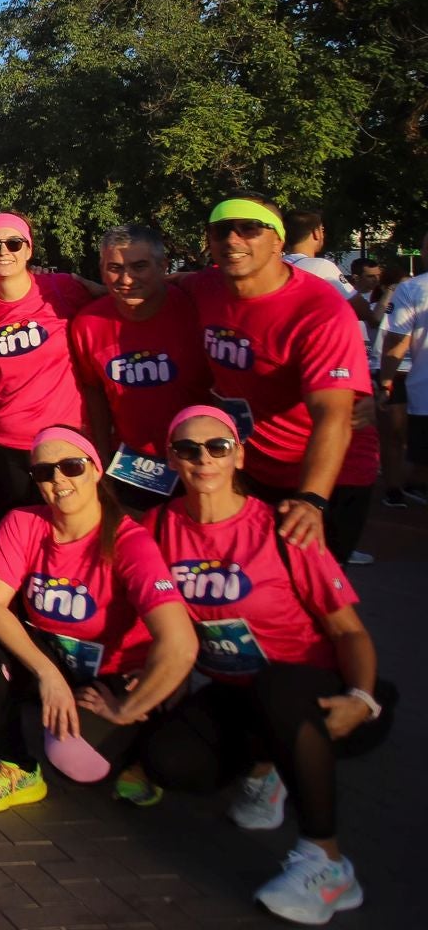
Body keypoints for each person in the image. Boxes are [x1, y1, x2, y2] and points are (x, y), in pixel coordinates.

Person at [139, 406, 388, 925]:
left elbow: (348, 630)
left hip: (306, 685)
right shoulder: (158, 526)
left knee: (277, 689)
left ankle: (327, 861)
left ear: (239, 455)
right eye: (187, 449)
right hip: (233, 689)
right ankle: (265, 768)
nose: (203, 459)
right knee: (170, 760)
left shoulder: (284, 527)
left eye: (217, 447)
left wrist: (362, 697)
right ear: (171, 459)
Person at [0, 426, 196, 813]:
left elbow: (180, 644)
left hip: (114, 675)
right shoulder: (23, 522)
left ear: (96, 470)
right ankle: (19, 769)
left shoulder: (129, 541)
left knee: (74, 762)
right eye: (44, 472)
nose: (58, 480)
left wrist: (125, 708)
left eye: (71, 466)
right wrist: (47, 674)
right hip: (57, 661)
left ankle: (140, 747)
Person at [187, 196, 373, 563]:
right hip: (254, 467)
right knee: (251, 579)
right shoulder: (206, 286)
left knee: (312, 588)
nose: (233, 239)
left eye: (250, 229)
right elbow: (153, 285)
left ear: (278, 241)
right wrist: (88, 288)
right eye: (221, 231)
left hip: (327, 473)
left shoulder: (319, 310)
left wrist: (312, 499)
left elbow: (333, 416)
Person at [0, 213, 101, 519]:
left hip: (64, 441)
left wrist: (180, 280)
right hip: (0, 445)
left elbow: (120, 298)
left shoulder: (62, 289)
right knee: (14, 534)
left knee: (70, 531)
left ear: (28, 249)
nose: (3, 252)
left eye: (14, 243)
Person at [70, 225, 211, 508]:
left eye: (139, 266)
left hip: (203, 462)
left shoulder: (198, 310)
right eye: (115, 268)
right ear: (102, 270)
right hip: (132, 466)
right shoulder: (87, 324)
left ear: (163, 266)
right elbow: (94, 393)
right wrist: (101, 457)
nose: (126, 279)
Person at [376, 240, 426, 510]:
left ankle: (398, 488)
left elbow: (396, 341)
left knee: (397, 437)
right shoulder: (412, 288)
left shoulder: (414, 288)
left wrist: (384, 382)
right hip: (418, 385)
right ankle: (399, 488)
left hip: (420, 388)